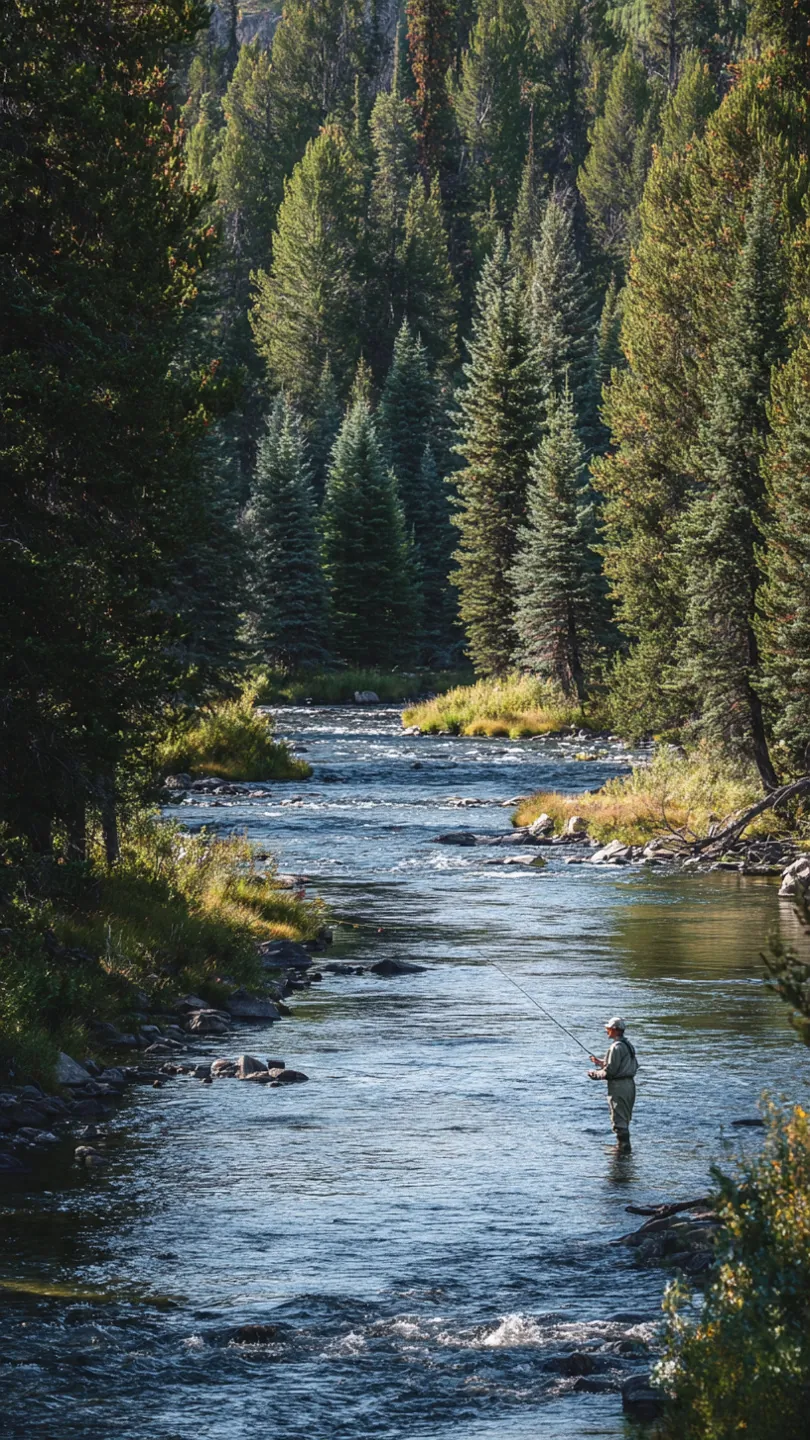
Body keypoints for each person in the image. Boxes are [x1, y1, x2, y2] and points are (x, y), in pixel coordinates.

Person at [588, 1017, 638, 1149]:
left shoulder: (615, 1047)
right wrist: (601, 1062)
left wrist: (595, 1074)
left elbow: (609, 1072)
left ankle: (621, 1152)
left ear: (615, 1030)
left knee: (619, 1120)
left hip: (619, 1087)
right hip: (629, 1086)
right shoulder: (627, 1044)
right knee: (625, 1118)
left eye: (608, 1029)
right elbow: (623, 1064)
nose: (606, 1031)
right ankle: (623, 1152)